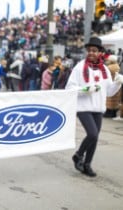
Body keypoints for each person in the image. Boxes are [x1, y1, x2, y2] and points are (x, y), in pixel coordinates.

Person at [65, 37, 123, 177]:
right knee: (92, 134)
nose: (91, 53)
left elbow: (108, 92)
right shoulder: (79, 67)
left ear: (100, 53)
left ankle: (87, 164)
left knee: (95, 138)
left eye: (94, 51)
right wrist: (85, 90)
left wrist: (118, 83)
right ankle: (78, 155)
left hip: (98, 108)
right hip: (83, 107)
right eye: (89, 50)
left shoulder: (104, 69)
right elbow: (69, 88)